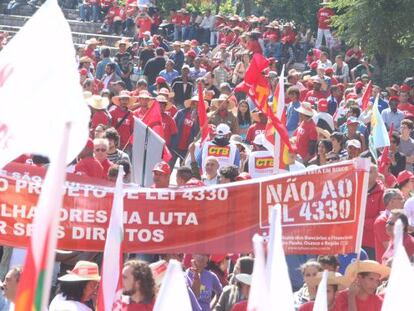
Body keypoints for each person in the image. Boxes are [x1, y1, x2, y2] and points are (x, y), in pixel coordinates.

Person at [374, 189, 404, 262]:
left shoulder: (401, 219)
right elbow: (389, 247)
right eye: (401, 199)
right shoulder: (381, 221)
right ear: (391, 201)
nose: (403, 201)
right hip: (387, 267)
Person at [363, 164, 386, 259]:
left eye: (370, 171)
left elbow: (381, 218)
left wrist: (361, 223)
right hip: (356, 241)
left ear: (377, 175)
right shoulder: (356, 190)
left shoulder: (383, 193)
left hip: (371, 242)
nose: (367, 174)